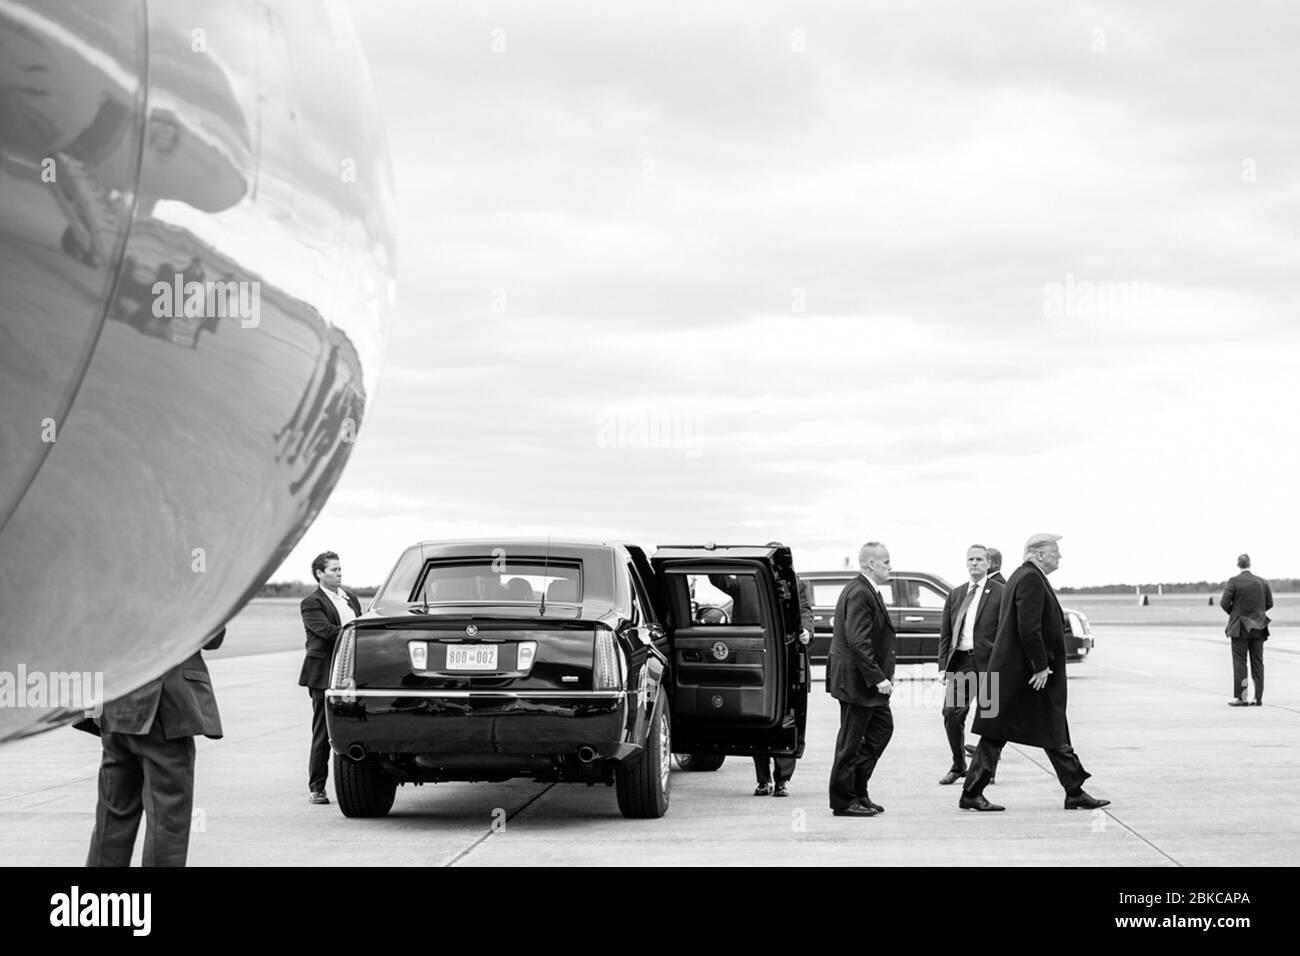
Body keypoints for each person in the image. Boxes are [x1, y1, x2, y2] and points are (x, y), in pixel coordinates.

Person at [960, 534, 1109, 812]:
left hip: (1015, 673)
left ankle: (1074, 789)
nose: (1060, 556)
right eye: (1056, 551)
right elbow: (1029, 627)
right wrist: (1040, 665)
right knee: (1006, 730)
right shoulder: (1030, 578)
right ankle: (972, 793)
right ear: (1039, 554)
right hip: (1024, 675)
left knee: (1046, 727)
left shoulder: (1022, 576)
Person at [82, 628, 225, 866]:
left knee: (112, 817)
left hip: (113, 701)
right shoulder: (180, 588)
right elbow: (213, 636)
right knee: (167, 822)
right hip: (162, 708)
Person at [826, 542, 896, 817]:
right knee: (850, 741)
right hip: (858, 682)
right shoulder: (860, 593)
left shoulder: (868, 590)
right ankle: (843, 801)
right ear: (870, 564)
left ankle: (858, 790)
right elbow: (857, 640)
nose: (890, 566)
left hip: (866, 684)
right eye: (886, 562)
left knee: (881, 730)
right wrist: (877, 678)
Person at [937, 545, 1003, 785]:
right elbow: (945, 634)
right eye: (971, 559)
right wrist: (943, 665)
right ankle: (958, 765)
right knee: (952, 714)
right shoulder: (956, 594)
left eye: (979, 560)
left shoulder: (1000, 593)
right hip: (962, 663)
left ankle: (987, 770)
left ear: (988, 564)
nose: (974, 563)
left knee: (990, 719)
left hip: (989, 664)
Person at [299, 551, 361, 804]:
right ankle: (317, 787)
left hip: (351, 673)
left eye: (340, 569)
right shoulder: (311, 602)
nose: (339, 573)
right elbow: (325, 631)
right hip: (324, 673)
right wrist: (357, 634)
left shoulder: (350, 598)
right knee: (323, 731)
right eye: (334, 570)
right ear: (319, 574)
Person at [751, 563, 815, 796]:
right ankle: (763, 780)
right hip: (762, 663)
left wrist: (808, 631)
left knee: (789, 723)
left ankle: (782, 780)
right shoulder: (750, 580)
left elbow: (806, 611)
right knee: (759, 723)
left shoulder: (797, 583)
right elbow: (722, 582)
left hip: (790, 662)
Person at [1221, 554, 1271, 706]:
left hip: (1240, 627)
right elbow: (1269, 603)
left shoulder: (1234, 581)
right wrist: (1257, 614)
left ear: (1238, 565)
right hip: (1259, 626)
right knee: (1258, 662)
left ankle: (1242, 697)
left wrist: (1235, 613)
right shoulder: (1263, 582)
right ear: (1250, 564)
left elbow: (1224, 603)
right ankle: (1258, 698)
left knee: (1240, 662)